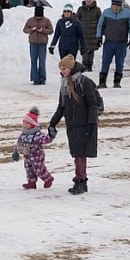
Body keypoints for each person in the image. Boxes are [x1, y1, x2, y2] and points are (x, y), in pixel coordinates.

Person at [47, 54, 102, 195]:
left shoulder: (84, 82)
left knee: (80, 154)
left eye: (64, 68)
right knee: (78, 153)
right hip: (72, 125)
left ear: (71, 68)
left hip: (85, 124)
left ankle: (80, 181)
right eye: (61, 69)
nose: (62, 71)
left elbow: (92, 104)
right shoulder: (65, 84)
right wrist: (53, 123)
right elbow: (61, 106)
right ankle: (82, 181)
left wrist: (91, 124)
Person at [96, 0, 130, 89]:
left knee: (120, 62)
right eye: (114, 6)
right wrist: (99, 37)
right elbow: (100, 25)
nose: (115, 8)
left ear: (121, 6)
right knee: (105, 61)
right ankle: (102, 82)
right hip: (109, 42)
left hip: (121, 43)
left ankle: (117, 82)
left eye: (118, 6)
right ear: (111, 5)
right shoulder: (106, 12)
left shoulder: (128, 13)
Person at [11, 107, 54, 189]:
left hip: (37, 156)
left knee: (39, 169)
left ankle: (48, 179)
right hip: (27, 155)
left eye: (27, 123)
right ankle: (31, 183)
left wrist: (51, 135)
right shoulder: (23, 134)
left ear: (32, 124)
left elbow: (46, 139)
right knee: (29, 169)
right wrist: (16, 152)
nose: (24, 125)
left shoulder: (37, 134)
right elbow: (19, 143)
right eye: (24, 123)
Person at [23, 4, 53, 85]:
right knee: (33, 61)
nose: (38, 17)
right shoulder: (30, 20)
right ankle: (35, 78)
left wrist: (43, 30)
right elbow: (25, 30)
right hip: (33, 43)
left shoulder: (47, 20)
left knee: (42, 61)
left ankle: (42, 78)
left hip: (43, 43)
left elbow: (51, 31)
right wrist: (32, 29)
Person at [76, 0, 102, 72]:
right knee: (84, 49)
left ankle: (90, 65)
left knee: (91, 50)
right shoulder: (80, 9)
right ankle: (84, 65)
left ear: (93, 0)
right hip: (83, 33)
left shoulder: (97, 10)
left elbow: (100, 21)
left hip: (93, 33)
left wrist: (99, 34)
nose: (88, 0)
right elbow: (77, 20)